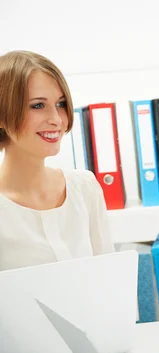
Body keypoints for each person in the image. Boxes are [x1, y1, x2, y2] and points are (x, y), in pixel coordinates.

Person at [0, 50, 114, 271]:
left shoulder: (84, 187)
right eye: (38, 105)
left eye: (61, 104)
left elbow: (109, 281)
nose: (56, 119)